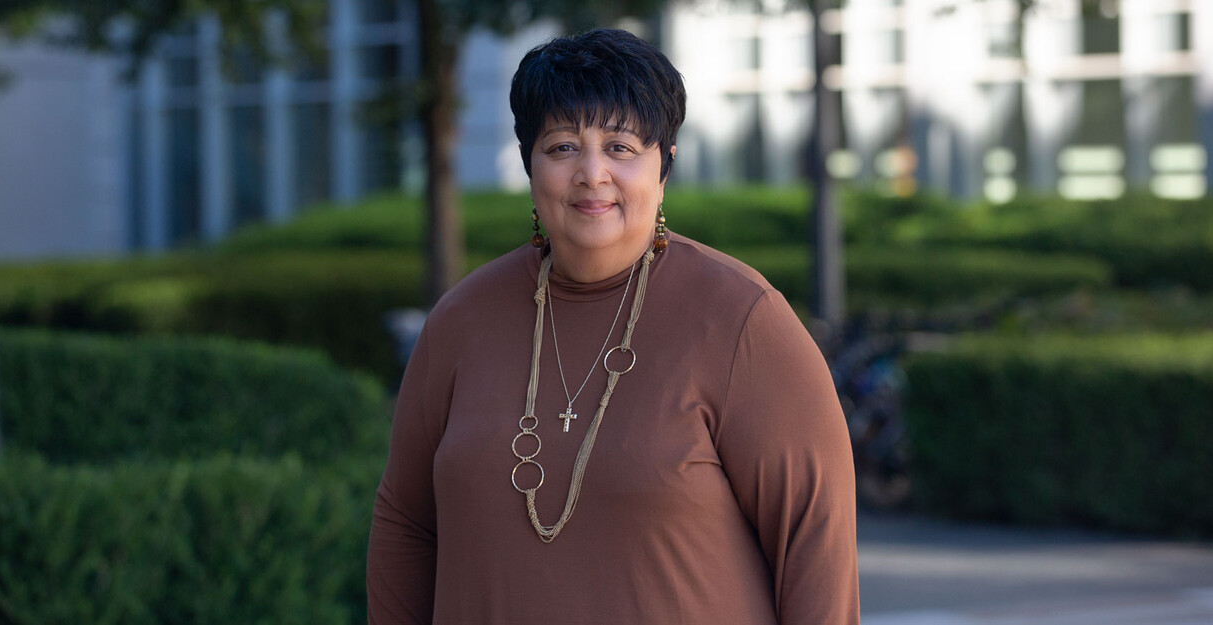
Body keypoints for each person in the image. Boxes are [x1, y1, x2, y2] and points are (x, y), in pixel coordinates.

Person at [367, 28, 858, 624]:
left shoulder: (743, 321)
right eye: (562, 147)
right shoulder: (461, 320)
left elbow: (815, 546)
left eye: (621, 147)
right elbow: (405, 524)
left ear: (665, 165)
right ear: (529, 164)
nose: (592, 173)